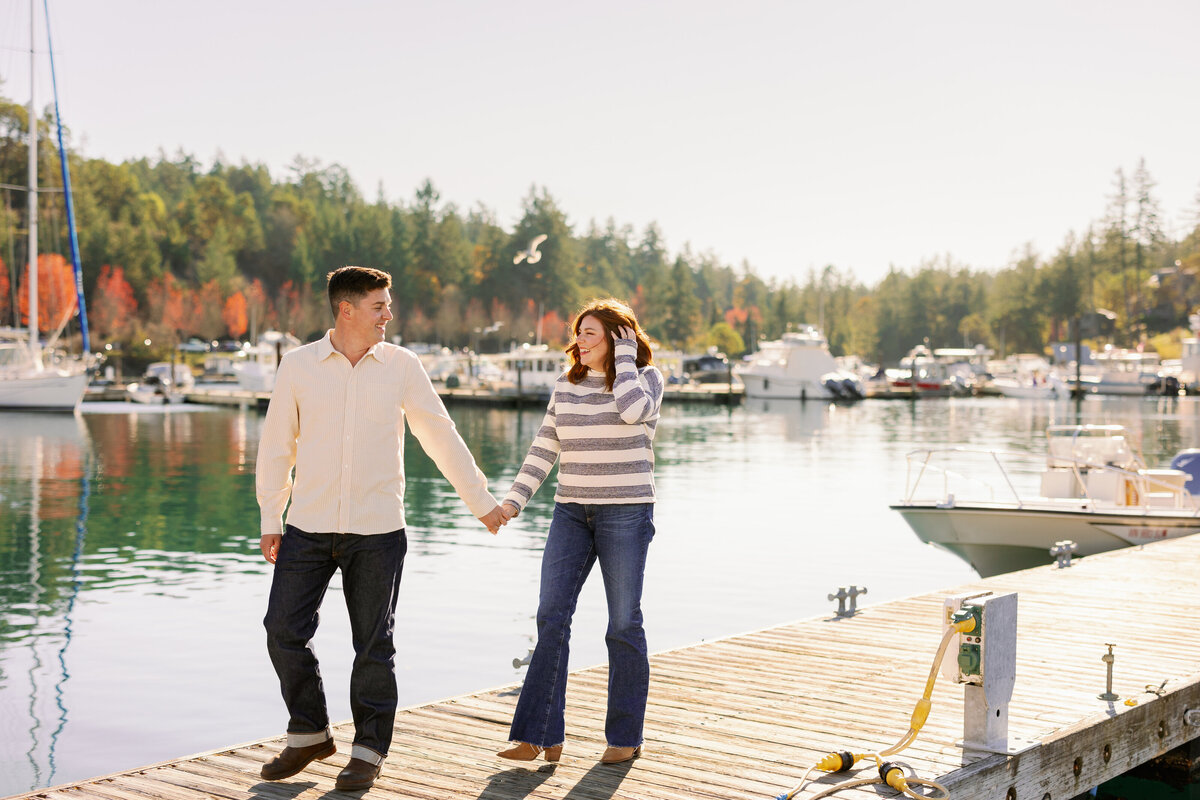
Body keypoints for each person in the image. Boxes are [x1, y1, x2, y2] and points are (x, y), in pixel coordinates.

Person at [256, 266, 506, 791]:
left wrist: (480, 502)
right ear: (346, 310)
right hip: (308, 525)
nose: (389, 315)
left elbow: (439, 435)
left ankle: (368, 750)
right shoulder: (298, 366)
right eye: (379, 306)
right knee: (282, 630)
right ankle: (309, 735)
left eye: (388, 305)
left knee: (373, 645)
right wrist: (269, 517)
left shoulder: (402, 366)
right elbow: (278, 445)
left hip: (378, 529)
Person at [496, 298, 664, 765]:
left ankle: (625, 736)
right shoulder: (565, 386)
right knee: (551, 615)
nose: (579, 341)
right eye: (579, 332)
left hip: (626, 513)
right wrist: (514, 499)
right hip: (570, 512)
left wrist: (626, 362)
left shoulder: (646, 381)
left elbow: (633, 413)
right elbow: (544, 447)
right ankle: (539, 736)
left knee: (624, 623)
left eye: (590, 333)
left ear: (618, 337)